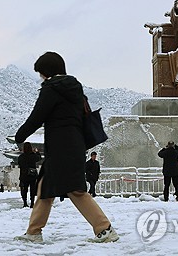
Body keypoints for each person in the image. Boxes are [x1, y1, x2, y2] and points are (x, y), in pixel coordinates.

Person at [14, 52, 118, 243]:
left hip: (62, 147)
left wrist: (19, 136)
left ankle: (105, 229)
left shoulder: (51, 89)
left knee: (75, 190)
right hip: (73, 145)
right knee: (45, 187)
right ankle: (34, 231)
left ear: (47, 71)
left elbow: (37, 116)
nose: (41, 78)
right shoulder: (75, 88)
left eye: (41, 73)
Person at [18, 142, 42, 208]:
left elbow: (19, 163)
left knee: (24, 190)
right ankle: (32, 203)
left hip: (24, 175)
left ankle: (25, 203)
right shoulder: (33, 155)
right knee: (32, 190)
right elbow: (39, 158)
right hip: (32, 175)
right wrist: (37, 152)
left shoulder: (21, 157)